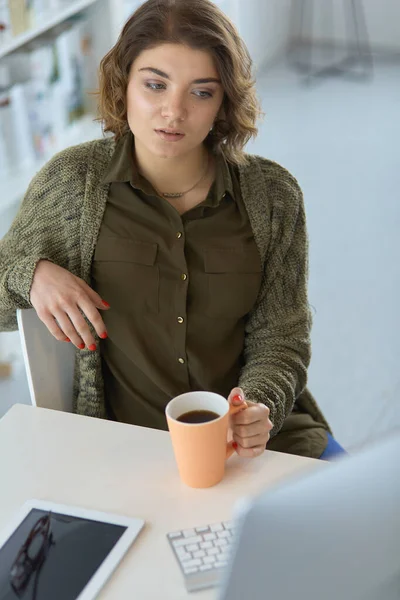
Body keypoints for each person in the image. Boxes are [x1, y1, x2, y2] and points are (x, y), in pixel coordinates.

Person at [0, 0, 343, 460]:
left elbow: (282, 337)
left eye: (202, 92)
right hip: (131, 450)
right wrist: (33, 274)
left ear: (224, 102)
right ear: (124, 84)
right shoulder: (72, 183)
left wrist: (261, 406)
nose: (173, 111)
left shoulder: (274, 195)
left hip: (258, 444)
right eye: (155, 85)